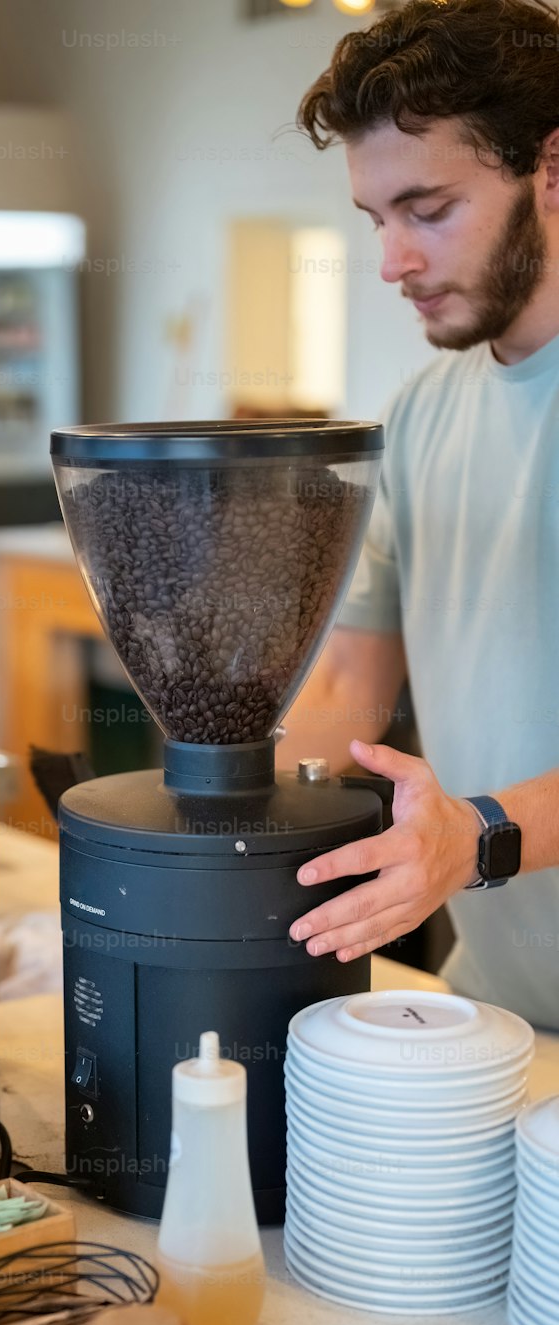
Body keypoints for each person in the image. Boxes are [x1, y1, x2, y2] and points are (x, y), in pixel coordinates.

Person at [278, 0, 559, 1026]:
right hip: (498, 1013)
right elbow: (355, 681)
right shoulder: (418, 415)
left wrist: (477, 834)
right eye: (375, 220)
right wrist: (220, 805)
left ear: (550, 169)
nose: (392, 262)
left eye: (428, 210)